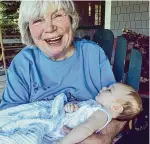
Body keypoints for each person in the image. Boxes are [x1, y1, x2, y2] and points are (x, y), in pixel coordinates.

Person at [0, 0, 127, 143]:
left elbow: (121, 106)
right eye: (38, 20)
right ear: (28, 28)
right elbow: (9, 120)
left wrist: (105, 135)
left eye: (58, 15)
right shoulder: (24, 62)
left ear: (71, 19)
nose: (49, 28)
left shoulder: (92, 54)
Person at [58, 83, 142, 144]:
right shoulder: (97, 107)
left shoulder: (103, 114)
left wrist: (62, 142)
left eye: (109, 90)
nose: (104, 87)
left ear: (116, 107)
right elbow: (81, 115)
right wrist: (73, 108)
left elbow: (85, 129)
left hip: (63, 134)